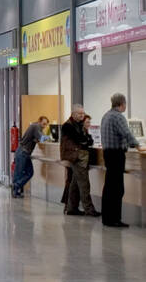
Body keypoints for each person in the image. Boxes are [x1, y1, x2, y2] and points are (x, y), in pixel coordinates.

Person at [99, 93, 145, 228]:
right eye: (125, 104)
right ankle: (115, 219)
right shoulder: (118, 117)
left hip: (108, 153)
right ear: (122, 104)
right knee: (117, 188)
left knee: (109, 186)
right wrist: (137, 145)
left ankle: (107, 218)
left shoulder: (106, 115)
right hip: (116, 155)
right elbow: (127, 133)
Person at [59, 106, 98, 217]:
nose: (82, 116)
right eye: (80, 114)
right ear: (73, 114)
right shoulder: (68, 126)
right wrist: (85, 140)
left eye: (83, 113)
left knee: (75, 183)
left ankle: (71, 208)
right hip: (76, 157)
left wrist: (85, 140)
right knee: (84, 184)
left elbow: (88, 140)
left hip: (79, 156)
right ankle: (89, 210)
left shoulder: (79, 125)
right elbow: (80, 139)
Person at [11, 116, 49, 198]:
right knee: (20, 172)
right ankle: (15, 188)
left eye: (46, 125)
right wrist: (49, 137)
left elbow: (39, 138)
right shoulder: (36, 126)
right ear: (39, 121)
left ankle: (16, 187)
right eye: (43, 124)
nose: (44, 126)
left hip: (25, 153)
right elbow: (42, 138)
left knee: (29, 173)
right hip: (23, 152)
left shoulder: (35, 127)